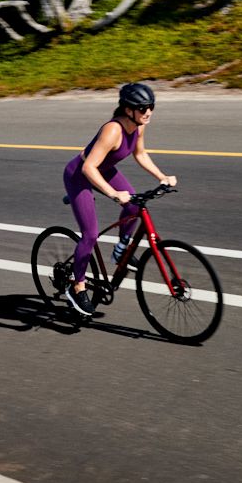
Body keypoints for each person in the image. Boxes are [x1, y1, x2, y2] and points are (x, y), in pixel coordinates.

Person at [62, 82, 177, 316]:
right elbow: (89, 168)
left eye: (151, 106)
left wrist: (161, 176)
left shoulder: (138, 126)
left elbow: (140, 153)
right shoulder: (112, 130)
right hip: (80, 175)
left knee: (134, 204)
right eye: (143, 107)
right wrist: (113, 193)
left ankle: (121, 250)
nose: (148, 112)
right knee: (90, 234)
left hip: (104, 170)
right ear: (128, 109)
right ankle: (77, 286)